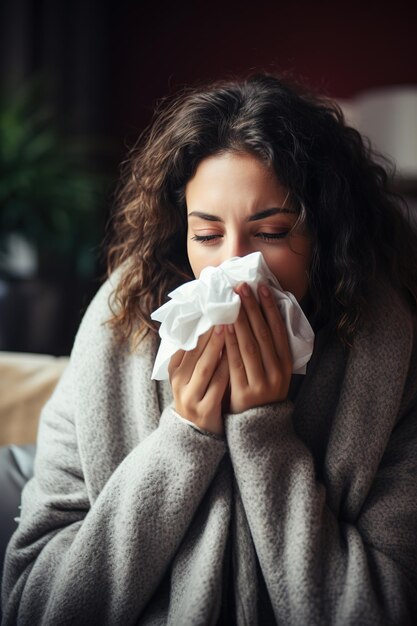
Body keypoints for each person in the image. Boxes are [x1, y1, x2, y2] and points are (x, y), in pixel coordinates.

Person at [2, 73, 417, 625]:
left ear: (325, 237)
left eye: (271, 233)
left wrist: (265, 433)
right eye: (208, 235)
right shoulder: (114, 332)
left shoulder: (391, 358)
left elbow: (384, 607)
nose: (236, 272)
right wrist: (184, 437)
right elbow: (34, 601)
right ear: (180, 235)